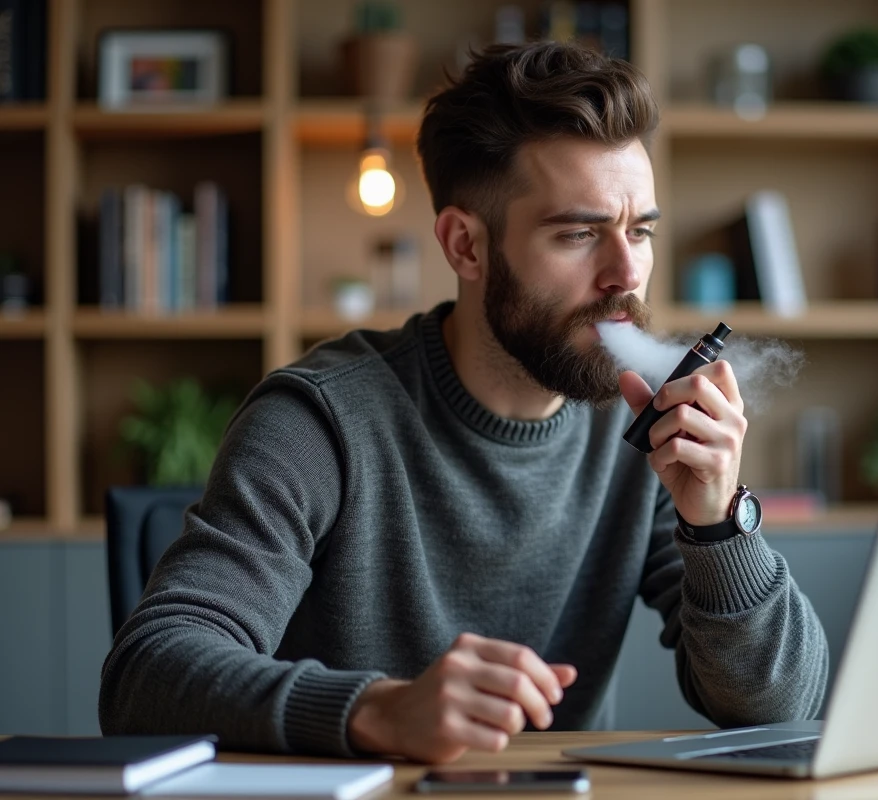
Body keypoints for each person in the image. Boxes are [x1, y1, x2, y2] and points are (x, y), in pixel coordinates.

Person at [99, 41, 828, 765]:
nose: (627, 273)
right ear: (465, 246)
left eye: (640, 232)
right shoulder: (318, 422)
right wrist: (375, 710)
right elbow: (146, 676)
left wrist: (720, 524)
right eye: (579, 234)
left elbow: (778, 710)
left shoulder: (642, 435)